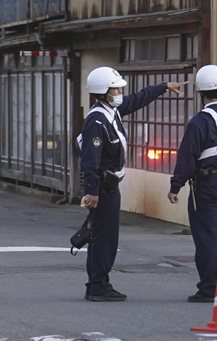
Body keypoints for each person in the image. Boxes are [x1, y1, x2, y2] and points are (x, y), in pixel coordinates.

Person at [78, 66, 186, 301]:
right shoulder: (97, 121)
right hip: (102, 189)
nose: (120, 92)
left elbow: (138, 99)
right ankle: (98, 285)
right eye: (116, 88)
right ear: (103, 91)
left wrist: (164, 87)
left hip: (109, 186)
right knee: (104, 237)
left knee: (105, 236)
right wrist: (91, 192)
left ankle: (97, 283)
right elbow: (90, 161)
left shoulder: (111, 111)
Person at [167, 65, 217, 303]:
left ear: (201, 92)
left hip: (207, 184)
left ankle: (209, 288)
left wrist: (175, 185)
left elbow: (187, 155)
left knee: (206, 236)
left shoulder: (199, 121)